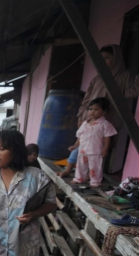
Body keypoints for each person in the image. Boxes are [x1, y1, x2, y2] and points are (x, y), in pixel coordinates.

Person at [58, 44, 139, 177]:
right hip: (90, 121)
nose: (103, 61)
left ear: (117, 59)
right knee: (81, 148)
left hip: (109, 121)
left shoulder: (124, 76)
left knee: (98, 151)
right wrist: (81, 116)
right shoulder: (97, 78)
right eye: (101, 59)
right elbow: (87, 99)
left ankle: (94, 175)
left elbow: (131, 93)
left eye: (107, 58)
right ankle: (71, 171)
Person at [71, 97, 117, 188]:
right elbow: (80, 135)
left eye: (96, 109)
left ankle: (95, 182)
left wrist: (105, 149)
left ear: (104, 112)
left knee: (95, 167)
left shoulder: (105, 124)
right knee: (80, 165)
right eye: (90, 109)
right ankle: (79, 178)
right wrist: (75, 145)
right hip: (83, 150)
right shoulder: (85, 123)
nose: (92, 111)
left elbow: (108, 137)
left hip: (95, 150)